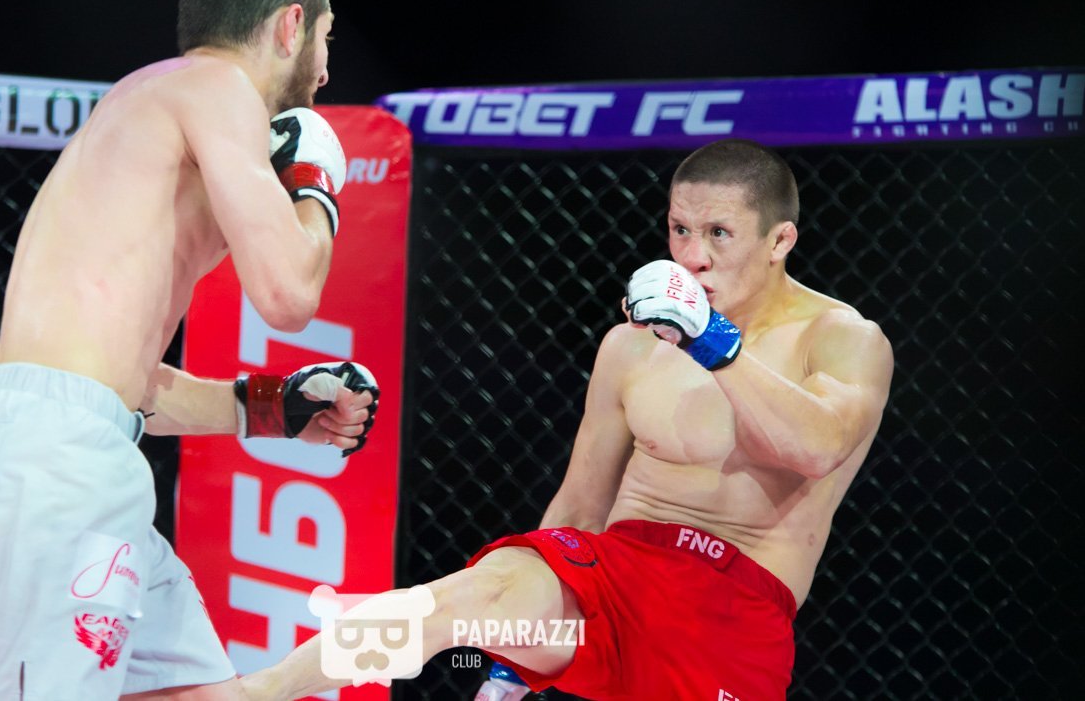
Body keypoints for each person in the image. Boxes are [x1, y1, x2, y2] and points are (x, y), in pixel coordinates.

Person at [240, 139, 894, 701]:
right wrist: (511, 660)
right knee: (475, 593)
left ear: (780, 239)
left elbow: (818, 448)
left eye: (718, 233)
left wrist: (711, 341)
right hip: (615, 576)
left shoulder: (840, 338)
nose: (691, 256)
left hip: (731, 606)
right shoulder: (633, 345)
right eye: (679, 229)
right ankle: (260, 690)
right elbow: (581, 502)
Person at [0, 0, 379, 701]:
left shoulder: (151, 117)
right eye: (326, 37)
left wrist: (273, 406)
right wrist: (315, 184)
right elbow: (288, 294)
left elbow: (125, 387)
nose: (325, 69)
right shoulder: (215, 90)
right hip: (54, 471)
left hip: (86, 459)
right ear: (290, 25)